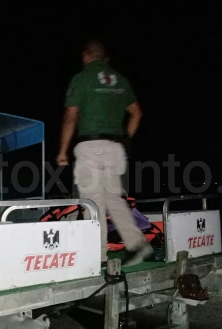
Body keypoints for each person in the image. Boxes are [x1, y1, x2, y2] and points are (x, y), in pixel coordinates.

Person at [56, 39, 153, 266]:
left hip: (91, 147)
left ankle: (97, 257)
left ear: (85, 57)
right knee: (114, 200)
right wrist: (125, 138)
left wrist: (62, 151)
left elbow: (71, 116)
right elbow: (137, 113)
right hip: (115, 148)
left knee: (93, 202)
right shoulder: (120, 79)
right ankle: (138, 246)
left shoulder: (82, 79)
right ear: (106, 58)